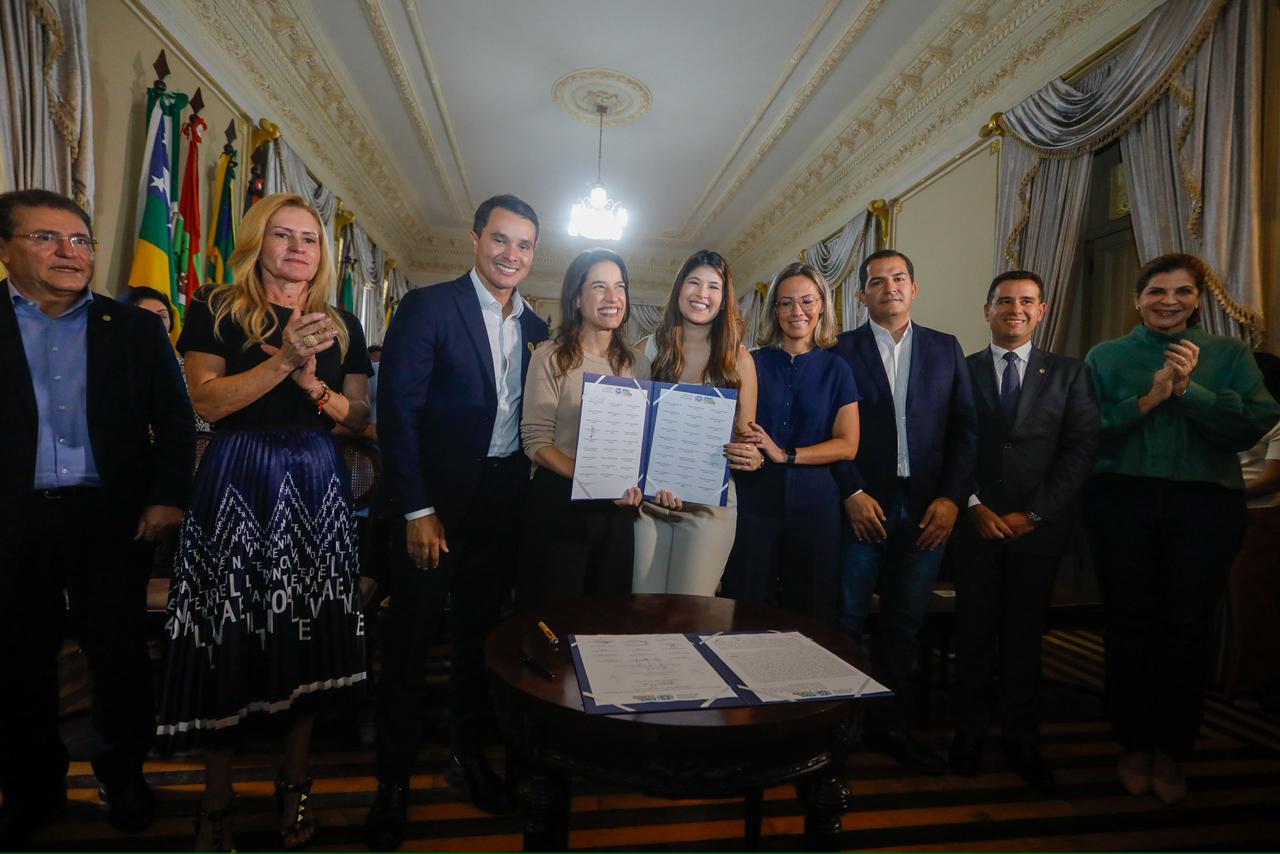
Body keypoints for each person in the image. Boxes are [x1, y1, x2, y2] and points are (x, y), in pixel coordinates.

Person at [155, 192, 372, 850]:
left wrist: (313, 387)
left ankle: (296, 781)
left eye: (310, 238)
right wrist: (281, 361)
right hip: (239, 480)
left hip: (316, 483)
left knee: (307, 631)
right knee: (226, 633)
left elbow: (359, 418)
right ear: (258, 241)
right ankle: (216, 798)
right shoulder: (217, 306)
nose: (298, 247)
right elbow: (207, 403)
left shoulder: (342, 323)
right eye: (284, 234)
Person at [0, 189, 195, 844]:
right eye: (46, 237)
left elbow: (175, 422)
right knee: (17, 661)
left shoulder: (134, 328)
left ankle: (124, 776)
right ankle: (32, 788)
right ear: (5, 249)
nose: (69, 252)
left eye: (80, 240)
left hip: (110, 522)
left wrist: (167, 497)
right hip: (12, 522)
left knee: (119, 660)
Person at [368, 195, 549, 848]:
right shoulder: (428, 307)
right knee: (410, 647)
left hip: (502, 505)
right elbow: (397, 414)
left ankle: (466, 760)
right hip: (433, 507)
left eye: (524, 245)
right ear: (475, 239)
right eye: (500, 239)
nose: (511, 255)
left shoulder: (539, 328)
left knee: (479, 646)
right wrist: (417, 509)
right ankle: (392, 785)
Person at [1085, 253, 1280, 805]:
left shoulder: (1229, 355)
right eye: (1156, 291)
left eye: (1182, 292)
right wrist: (1150, 398)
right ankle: (1132, 742)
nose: (1168, 301)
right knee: (1129, 623)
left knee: (1188, 626)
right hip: (1122, 500)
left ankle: (1173, 748)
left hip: (1204, 505)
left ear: (1197, 301)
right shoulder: (1107, 356)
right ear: (1138, 299)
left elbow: (1252, 423)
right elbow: (1087, 430)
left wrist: (1191, 389)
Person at [947, 271, 1100, 792]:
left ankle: (1021, 739)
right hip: (975, 526)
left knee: (1024, 639)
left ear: (1041, 310)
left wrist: (1034, 514)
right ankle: (967, 735)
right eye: (1005, 300)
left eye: (1027, 301)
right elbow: (947, 443)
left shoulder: (1070, 373)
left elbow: (1081, 449)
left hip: (1037, 530)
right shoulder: (961, 370)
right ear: (987, 309)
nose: (1016, 308)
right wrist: (972, 504)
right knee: (971, 637)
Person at [831, 249, 977, 773]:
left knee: (903, 625)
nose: (889, 287)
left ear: (913, 288)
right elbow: (824, 427)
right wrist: (850, 491)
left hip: (925, 510)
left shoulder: (945, 348)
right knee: (845, 622)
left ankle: (890, 728)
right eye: (877, 281)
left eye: (898, 278)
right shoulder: (839, 350)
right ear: (862, 295)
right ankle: (836, 730)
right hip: (861, 506)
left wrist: (951, 498)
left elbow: (966, 429)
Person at [720, 261, 859, 625]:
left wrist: (786, 454)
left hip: (817, 507)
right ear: (775, 310)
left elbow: (848, 444)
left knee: (811, 615)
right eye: (786, 303)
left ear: (822, 305)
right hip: (754, 501)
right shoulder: (751, 362)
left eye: (807, 301)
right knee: (745, 607)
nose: (797, 311)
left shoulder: (838, 369)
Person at [632, 250, 762, 595]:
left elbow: (746, 438)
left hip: (709, 508)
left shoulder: (739, 360)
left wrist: (753, 456)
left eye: (713, 287)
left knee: (688, 614)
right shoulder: (646, 349)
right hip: (649, 503)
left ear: (724, 298)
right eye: (693, 282)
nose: (702, 294)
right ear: (679, 288)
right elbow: (632, 428)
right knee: (641, 608)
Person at [520, 247, 645, 606]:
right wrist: (593, 478)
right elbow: (535, 440)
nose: (612, 297)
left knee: (606, 618)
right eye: (599, 287)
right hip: (560, 504)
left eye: (620, 287)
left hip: (618, 511)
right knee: (554, 616)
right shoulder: (549, 356)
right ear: (576, 297)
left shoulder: (639, 363)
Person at [1223, 351, 1280, 707]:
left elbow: (1272, 479)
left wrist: (1223, 491)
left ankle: (1251, 687)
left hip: (1260, 519)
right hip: (1220, 513)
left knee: (1252, 607)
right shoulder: (1229, 416)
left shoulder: (1277, 421)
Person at [119, 286, 212, 431]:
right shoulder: (115, 366)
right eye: (146, 315)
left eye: (162, 316)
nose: (156, 322)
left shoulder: (187, 368)